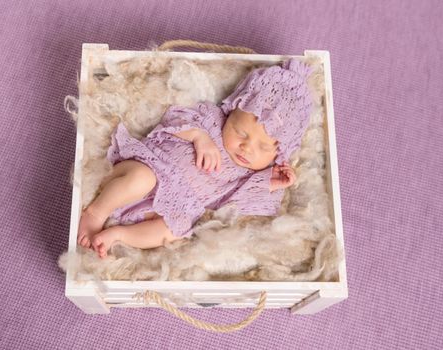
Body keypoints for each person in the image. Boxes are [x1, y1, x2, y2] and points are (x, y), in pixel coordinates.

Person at [77, 57, 313, 258]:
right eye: (241, 132)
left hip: (171, 207)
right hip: (152, 168)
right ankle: (96, 213)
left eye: (263, 147)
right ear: (231, 110)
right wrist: (199, 137)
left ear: (279, 153)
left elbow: (236, 205)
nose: (247, 148)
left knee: (173, 232)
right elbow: (174, 120)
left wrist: (270, 182)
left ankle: (118, 234)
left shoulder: (247, 174)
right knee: (142, 179)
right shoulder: (211, 120)